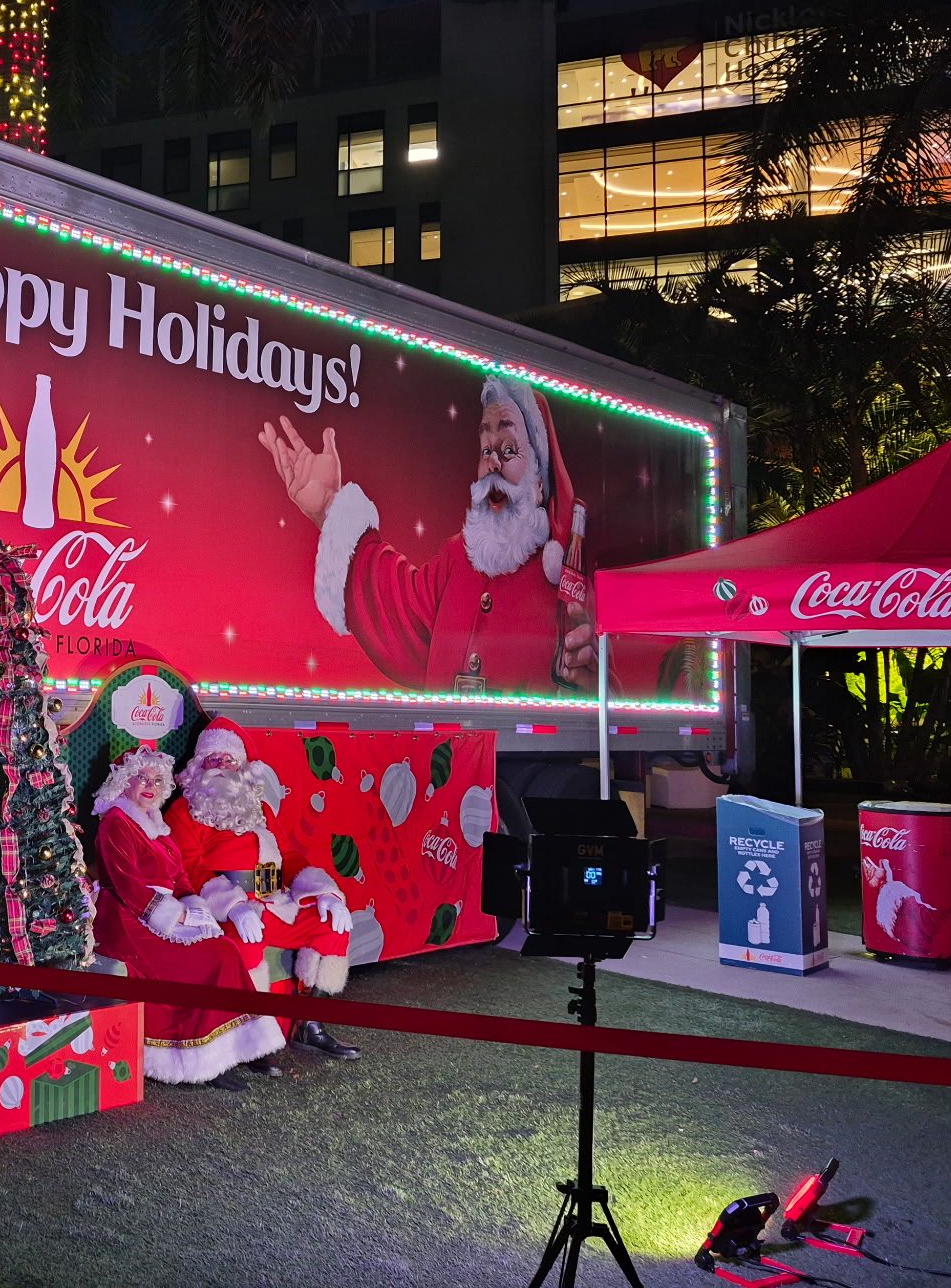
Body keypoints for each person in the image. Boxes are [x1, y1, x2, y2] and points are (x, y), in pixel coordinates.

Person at [260, 372, 596, 694]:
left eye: (509, 450)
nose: (493, 463)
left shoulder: (566, 586)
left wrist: (594, 688)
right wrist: (329, 505)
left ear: (539, 484)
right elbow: (401, 610)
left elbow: (600, 680)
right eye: (485, 450)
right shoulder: (458, 557)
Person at [90, 747, 285, 1089]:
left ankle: (229, 1049)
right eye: (141, 778)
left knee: (224, 950)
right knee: (209, 958)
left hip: (166, 910)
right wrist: (177, 915)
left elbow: (179, 875)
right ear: (124, 782)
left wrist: (194, 906)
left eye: (156, 780)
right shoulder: (115, 823)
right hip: (127, 917)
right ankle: (204, 1059)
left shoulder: (158, 825)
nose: (150, 786)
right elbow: (127, 885)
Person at [167, 719, 360, 1060]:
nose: (221, 766)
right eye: (213, 759)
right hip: (225, 909)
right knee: (245, 942)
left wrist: (325, 893)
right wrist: (233, 906)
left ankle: (308, 1025)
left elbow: (288, 856)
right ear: (198, 766)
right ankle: (252, 1039)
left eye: (229, 760)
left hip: (274, 901)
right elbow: (189, 867)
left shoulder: (261, 809)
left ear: (241, 767)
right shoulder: (184, 810)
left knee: (332, 924)